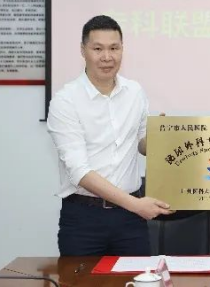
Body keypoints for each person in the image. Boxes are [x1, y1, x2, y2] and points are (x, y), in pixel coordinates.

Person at [47, 15, 173, 256]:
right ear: (83, 50)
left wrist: (160, 137)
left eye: (114, 48)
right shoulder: (66, 101)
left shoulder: (134, 92)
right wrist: (136, 205)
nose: (107, 57)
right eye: (98, 49)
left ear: (122, 49)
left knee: (138, 277)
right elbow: (79, 172)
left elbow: (142, 144)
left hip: (130, 221)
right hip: (84, 219)